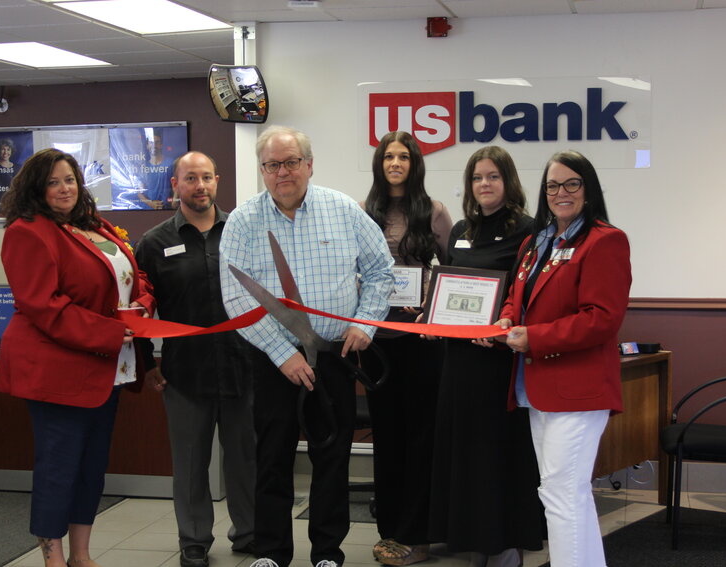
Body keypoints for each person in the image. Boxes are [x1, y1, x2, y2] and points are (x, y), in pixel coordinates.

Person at [219, 125, 394, 567]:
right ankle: (272, 552)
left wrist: (366, 325)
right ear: (262, 170)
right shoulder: (243, 221)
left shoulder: (344, 211)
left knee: (331, 455)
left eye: (292, 162)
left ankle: (327, 553)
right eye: (273, 164)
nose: (283, 172)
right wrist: (283, 354)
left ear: (309, 165)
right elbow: (235, 296)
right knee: (272, 455)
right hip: (272, 360)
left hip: (335, 356)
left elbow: (380, 272)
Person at [0, 148, 155, 567]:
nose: (64, 189)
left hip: (107, 368)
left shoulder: (93, 225)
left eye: (69, 179)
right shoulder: (27, 231)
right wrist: (111, 331)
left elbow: (132, 276)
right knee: (58, 468)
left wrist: (142, 304)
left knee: (92, 467)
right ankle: (53, 558)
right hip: (57, 371)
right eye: (53, 182)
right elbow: (43, 305)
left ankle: (82, 555)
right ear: (36, 188)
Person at [494, 150, 632, 567]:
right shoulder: (536, 241)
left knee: (559, 495)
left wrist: (532, 338)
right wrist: (504, 321)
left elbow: (601, 320)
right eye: (553, 185)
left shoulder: (605, 240)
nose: (561, 192)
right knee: (566, 493)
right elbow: (518, 299)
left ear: (587, 190)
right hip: (536, 388)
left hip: (579, 390)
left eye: (572, 183)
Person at [134, 151, 256, 567]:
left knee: (246, 458)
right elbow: (140, 310)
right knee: (190, 464)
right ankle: (194, 539)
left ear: (217, 181)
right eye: (190, 178)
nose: (199, 186)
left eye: (206, 177)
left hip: (245, 363)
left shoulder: (244, 231)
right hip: (184, 371)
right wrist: (147, 362)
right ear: (175, 185)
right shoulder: (153, 243)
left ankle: (249, 532)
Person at [427, 147, 544, 567]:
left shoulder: (531, 231)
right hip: (459, 362)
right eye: (477, 178)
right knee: (465, 453)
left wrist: (498, 326)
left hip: (499, 362)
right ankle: (473, 540)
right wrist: (432, 312)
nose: (484, 185)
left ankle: (505, 543)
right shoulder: (462, 228)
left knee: (496, 454)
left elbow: (530, 294)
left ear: (508, 181)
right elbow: (449, 283)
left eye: (493, 177)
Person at [358, 131, 452, 566]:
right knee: (388, 438)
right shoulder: (364, 212)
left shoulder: (433, 212)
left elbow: (453, 274)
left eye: (404, 156)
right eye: (388, 156)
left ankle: (418, 533)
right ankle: (390, 529)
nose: (395, 162)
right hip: (377, 342)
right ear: (380, 163)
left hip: (422, 342)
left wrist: (430, 303)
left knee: (421, 439)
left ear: (415, 163)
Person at [138, 131, 175, 209]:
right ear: (147, 145)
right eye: (151, 142)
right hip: (148, 209)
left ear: (161, 145)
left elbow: (177, 186)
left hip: (168, 209)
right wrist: (150, 203)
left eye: (157, 142)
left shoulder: (171, 163)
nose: (154, 145)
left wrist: (174, 202)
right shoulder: (143, 166)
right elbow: (139, 192)